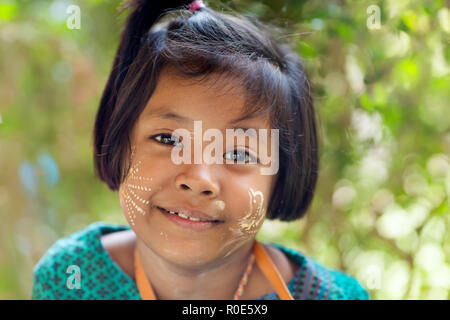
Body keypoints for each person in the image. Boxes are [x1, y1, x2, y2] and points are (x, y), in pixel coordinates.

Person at [32, 0, 370, 300]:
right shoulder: (67, 280)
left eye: (238, 154)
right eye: (168, 139)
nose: (198, 178)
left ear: (281, 178)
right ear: (118, 144)